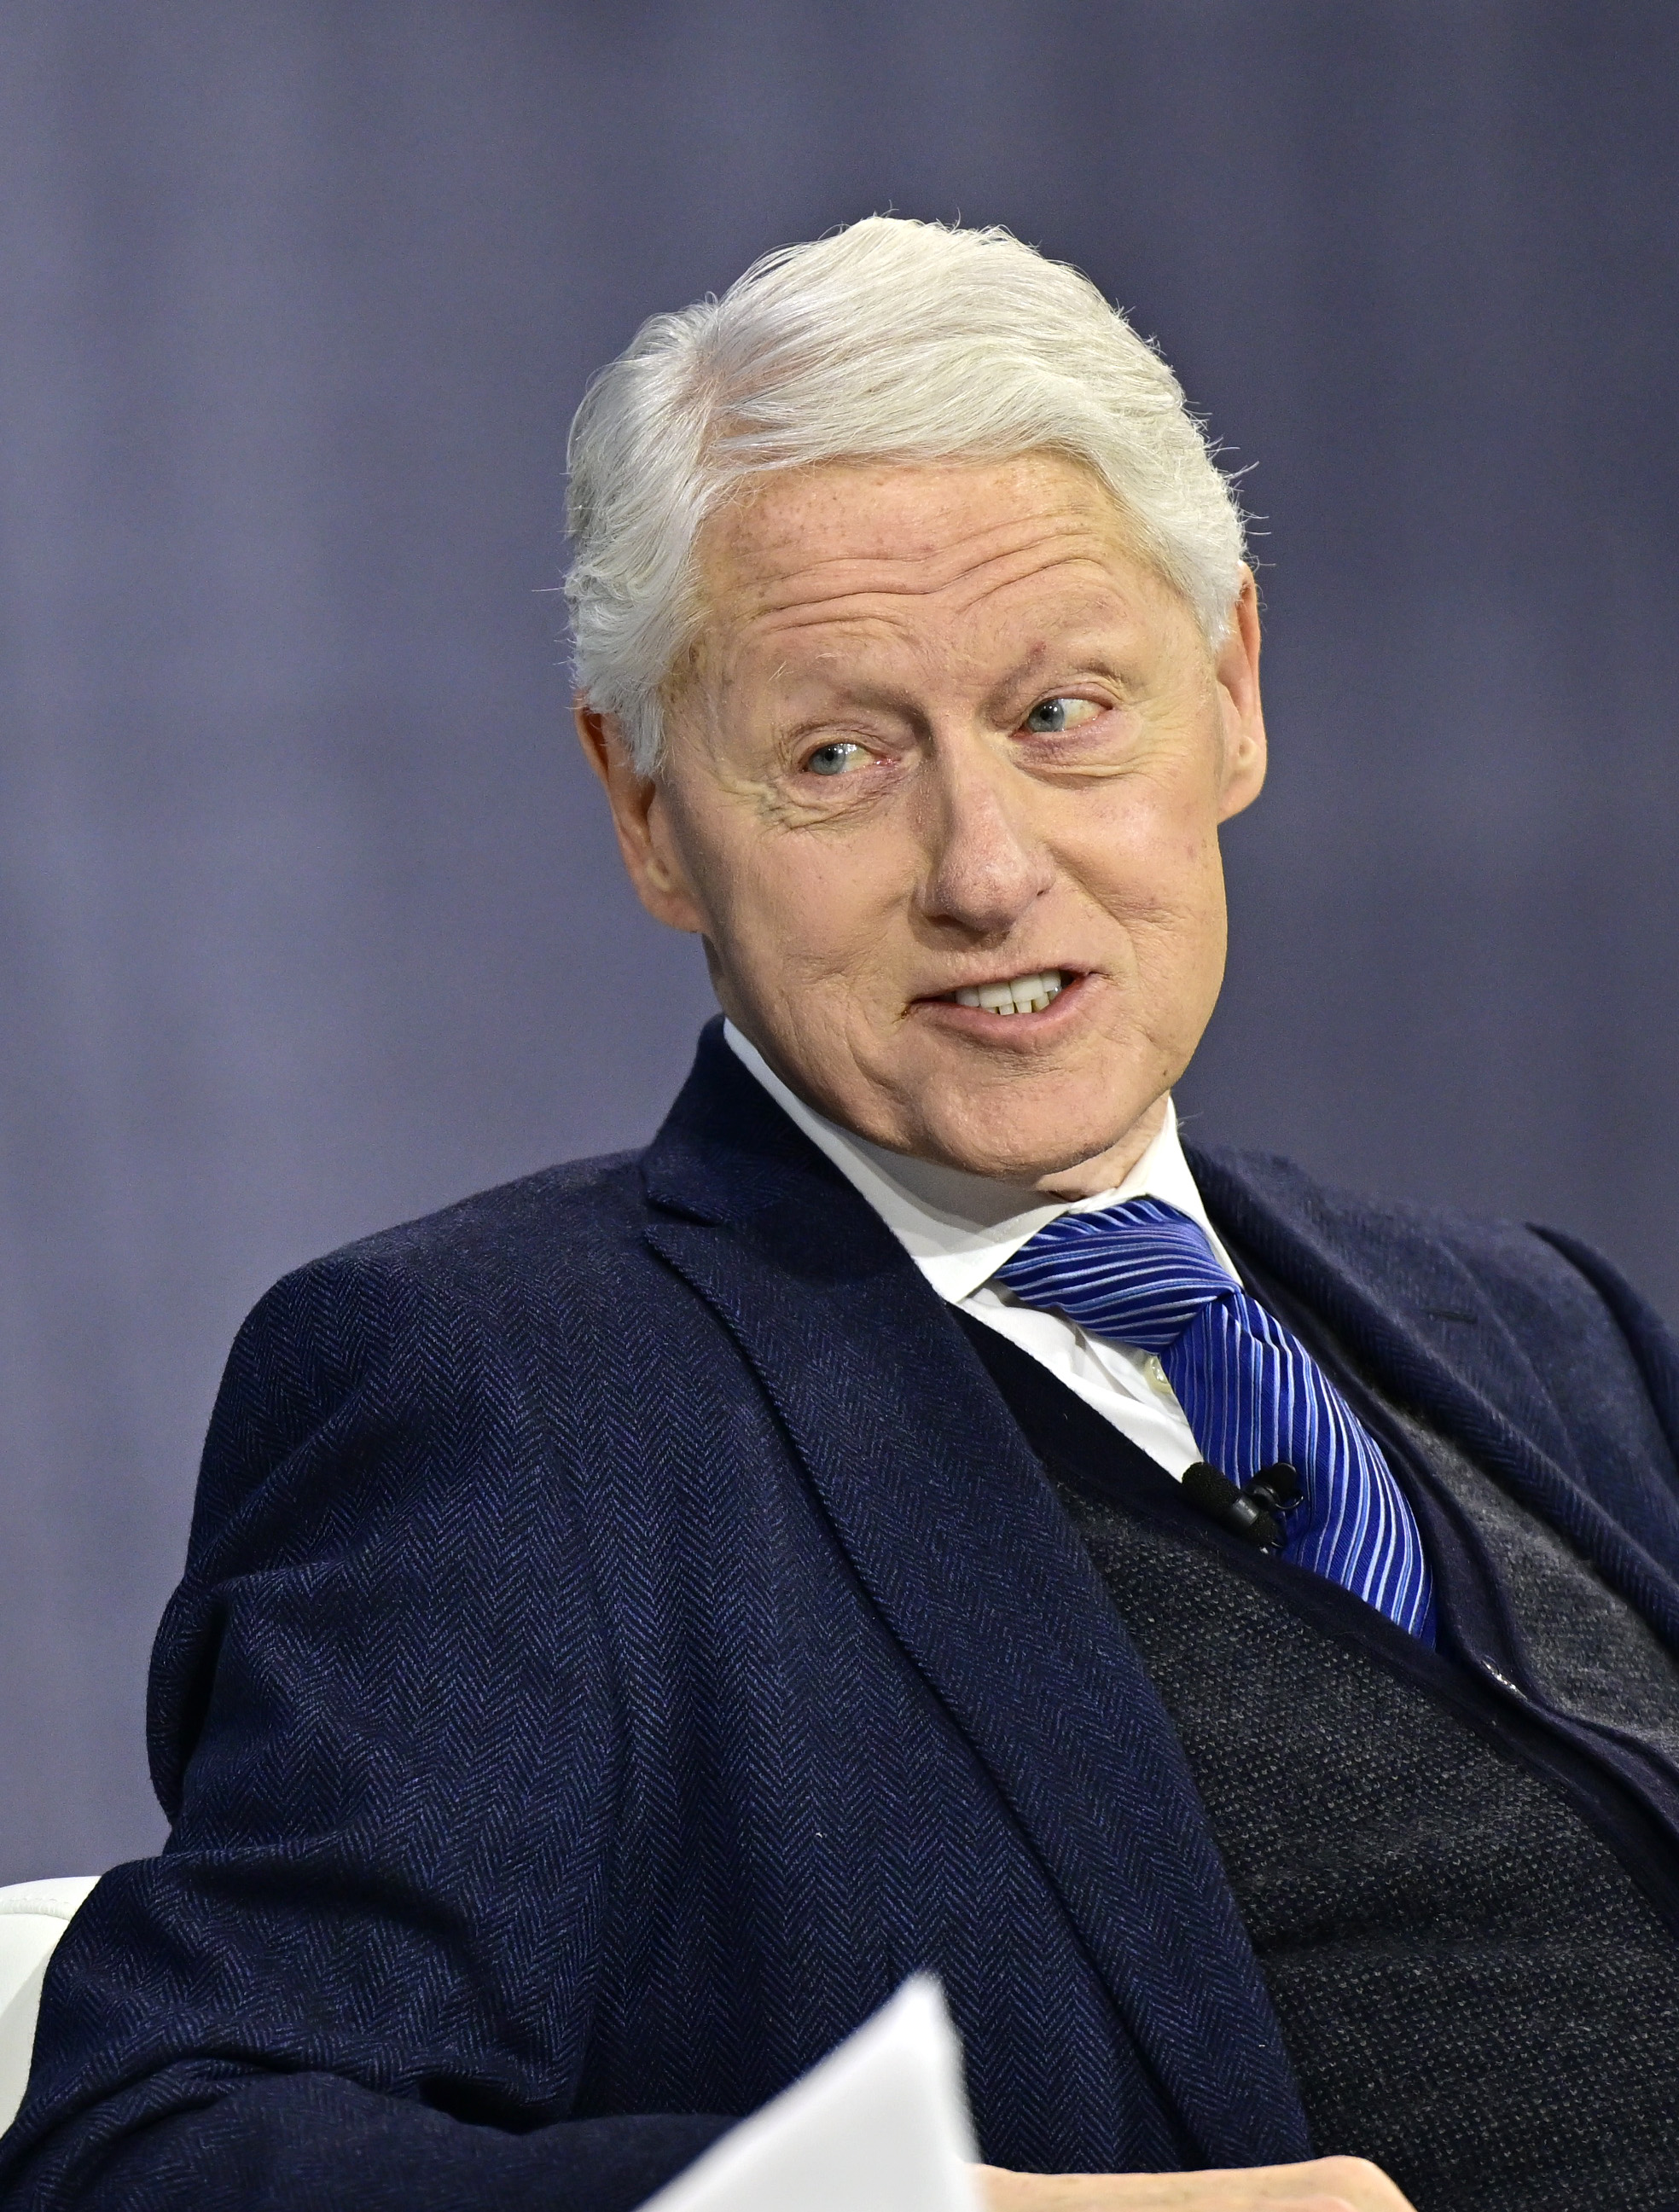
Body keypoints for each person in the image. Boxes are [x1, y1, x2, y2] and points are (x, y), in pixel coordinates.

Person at [4, 218, 1679, 2212]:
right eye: (836, 756)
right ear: (647, 813)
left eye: (1064, 713)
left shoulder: (1534, 1327)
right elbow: (161, 2149)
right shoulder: (519, 1399)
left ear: (1230, 690)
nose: (985, 870)